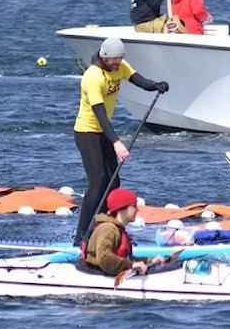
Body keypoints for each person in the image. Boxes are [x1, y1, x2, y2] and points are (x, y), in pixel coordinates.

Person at [73, 37, 170, 245]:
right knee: (97, 182)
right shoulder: (93, 76)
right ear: (104, 57)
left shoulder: (120, 66)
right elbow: (99, 113)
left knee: (113, 182)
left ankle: (104, 229)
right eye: (114, 60)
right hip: (87, 132)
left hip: (104, 133)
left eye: (120, 59)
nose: (118, 63)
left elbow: (139, 81)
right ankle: (81, 237)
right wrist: (117, 142)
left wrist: (156, 85)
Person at [81, 187, 165, 276]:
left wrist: (150, 260)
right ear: (121, 209)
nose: (137, 210)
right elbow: (105, 259)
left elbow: (125, 258)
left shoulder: (117, 229)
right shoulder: (108, 229)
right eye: (133, 206)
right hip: (100, 277)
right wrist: (131, 265)